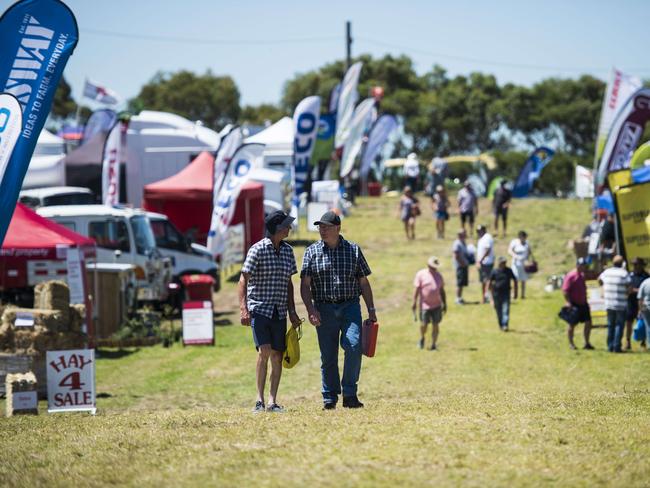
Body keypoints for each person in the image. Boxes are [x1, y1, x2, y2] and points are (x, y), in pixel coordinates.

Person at [300, 211, 377, 410]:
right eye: (320, 227)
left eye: (326, 227)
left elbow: (363, 282)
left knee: (353, 346)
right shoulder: (311, 252)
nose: (322, 230)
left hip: (350, 306)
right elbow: (305, 285)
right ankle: (329, 396)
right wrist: (310, 309)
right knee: (328, 355)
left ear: (338, 228)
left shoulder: (353, 250)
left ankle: (350, 394)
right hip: (323, 308)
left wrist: (371, 309)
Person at [239, 210, 302, 413]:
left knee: (277, 356)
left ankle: (273, 401)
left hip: (279, 311)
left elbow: (289, 284)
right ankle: (259, 400)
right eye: (286, 225)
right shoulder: (256, 250)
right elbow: (243, 279)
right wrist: (244, 309)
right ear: (276, 228)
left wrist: (292, 311)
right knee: (264, 352)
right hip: (259, 309)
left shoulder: (288, 251)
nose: (289, 228)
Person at [412, 256, 447, 350]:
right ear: (428, 265)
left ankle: (434, 344)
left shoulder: (439, 276)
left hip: (437, 305)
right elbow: (416, 289)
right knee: (424, 324)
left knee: (436, 324)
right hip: (425, 305)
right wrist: (414, 302)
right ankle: (422, 338)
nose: (434, 268)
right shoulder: (421, 274)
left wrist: (445, 304)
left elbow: (442, 291)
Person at [598, 255, 632, 353]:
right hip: (620, 303)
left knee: (610, 324)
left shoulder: (607, 272)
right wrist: (626, 293)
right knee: (619, 325)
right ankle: (617, 346)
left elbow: (599, 279)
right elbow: (629, 287)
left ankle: (610, 346)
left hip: (609, 302)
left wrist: (604, 288)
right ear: (622, 263)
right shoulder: (624, 273)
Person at [561, 258, 595, 350]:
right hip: (574, 304)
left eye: (585, 266)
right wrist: (568, 302)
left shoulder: (582, 275)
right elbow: (565, 290)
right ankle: (571, 343)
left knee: (588, 322)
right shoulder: (571, 275)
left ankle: (586, 343)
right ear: (577, 265)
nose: (584, 267)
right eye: (582, 266)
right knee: (572, 324)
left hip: (583, 303)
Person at [625, 258, 649, 350]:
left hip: (643, 303)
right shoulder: (630, 275)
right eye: (634, 264)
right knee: (628, 322)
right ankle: (628, 342)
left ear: (641, 265)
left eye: (637, 264)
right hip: (631, 302)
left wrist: (635, 290)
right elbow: (627, 288)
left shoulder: (646, 276)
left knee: (644, 323)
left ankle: (644, 342)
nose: (635, 266)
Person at [489, 257, 517, 331]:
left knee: (506, 309)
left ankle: (505, 325)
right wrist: (491, 298)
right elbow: (490, 283)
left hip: (506, 293)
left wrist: (515, 292)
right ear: (499, 263)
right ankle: (501, 324)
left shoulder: (509, 271)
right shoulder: (494, 271)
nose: (503, 264)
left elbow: (514, 280)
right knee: (499, 311)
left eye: (504, 262)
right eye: (502, 263)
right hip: (496, 294)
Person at [508, 231, 535, 299]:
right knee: (515, 279)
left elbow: (529, 251)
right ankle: (514, 294)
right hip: (516, 264)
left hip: (524, 264)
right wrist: (515, 256)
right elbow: (510, 251)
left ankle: (523, 295)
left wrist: (529, 260)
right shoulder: (514, 242)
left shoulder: (527, 243)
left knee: (523, 279)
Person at [476, 225, 495, 304]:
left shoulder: (487, 237)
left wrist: (480, 260)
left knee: (488, 281)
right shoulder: (481, 239)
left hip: (487, 263)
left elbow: (488, 250)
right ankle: (484, 298)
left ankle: (491, 299)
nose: (478, 233)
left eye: (479, 231)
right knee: (483, 281)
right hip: (482, 263)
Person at [452, 230, 469, 304]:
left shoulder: (463, 242)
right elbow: (456, 255)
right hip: (460, 266)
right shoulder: (457, 243)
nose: (465, 235)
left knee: (462, 283)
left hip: (464, 265)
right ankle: (457, 298)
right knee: (459, 283)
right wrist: (462, 263)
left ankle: (460, 297)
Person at [637, 275, 650, 349]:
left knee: (648, 326)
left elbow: (640, 298)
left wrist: (640, 309)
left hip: (646, 307)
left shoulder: (645, 282)